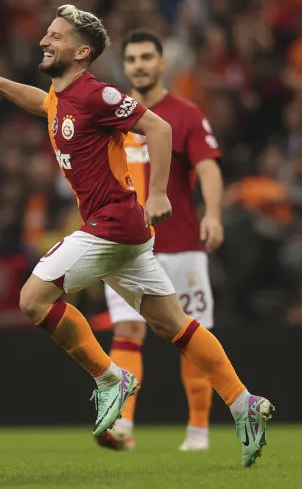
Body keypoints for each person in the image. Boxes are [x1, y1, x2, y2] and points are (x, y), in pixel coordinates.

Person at [0, 5, 273, 468]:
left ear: (82, 52)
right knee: (174, 326)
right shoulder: (61, 96)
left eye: (55, 36)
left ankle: (109, 378)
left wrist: (157, 192)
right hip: (125, 234)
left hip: (113, 225)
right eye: (46, 34)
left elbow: (157, 127)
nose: (44, 41)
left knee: (33, 300)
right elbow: (41, 103)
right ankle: (244, 403)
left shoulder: (97, 94)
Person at [94, 30, 224, 453]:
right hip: (127, 248)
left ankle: (198, 431)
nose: (139, 65)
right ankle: (123, 427)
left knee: (191, 338)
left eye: (147, 57)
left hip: (181, 245)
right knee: (127, 331)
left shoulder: (186, 114)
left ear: (162, 62)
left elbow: (208, 167)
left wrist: (213, 213)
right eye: (132, 59)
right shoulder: (113, 114)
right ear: (125, 66)